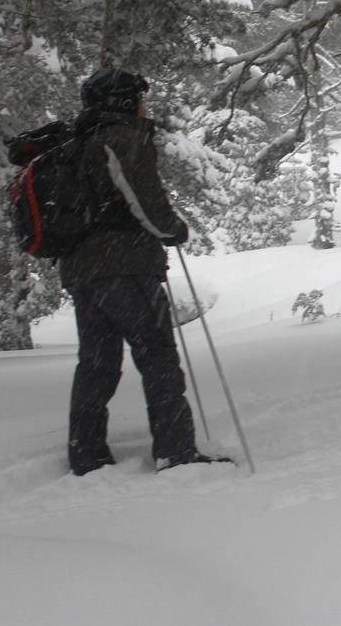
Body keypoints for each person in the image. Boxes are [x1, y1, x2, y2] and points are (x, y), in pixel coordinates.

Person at [60, 68, 227, 475]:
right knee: (158, 358)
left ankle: (87, 454)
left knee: (97, 364)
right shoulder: (120, 137)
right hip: (126, 266)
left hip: (84, 270)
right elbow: (145, 203)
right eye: (138, 97)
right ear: (123, 101)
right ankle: (176, 451)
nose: (143, 104)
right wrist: (174, 230)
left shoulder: (77, 142)